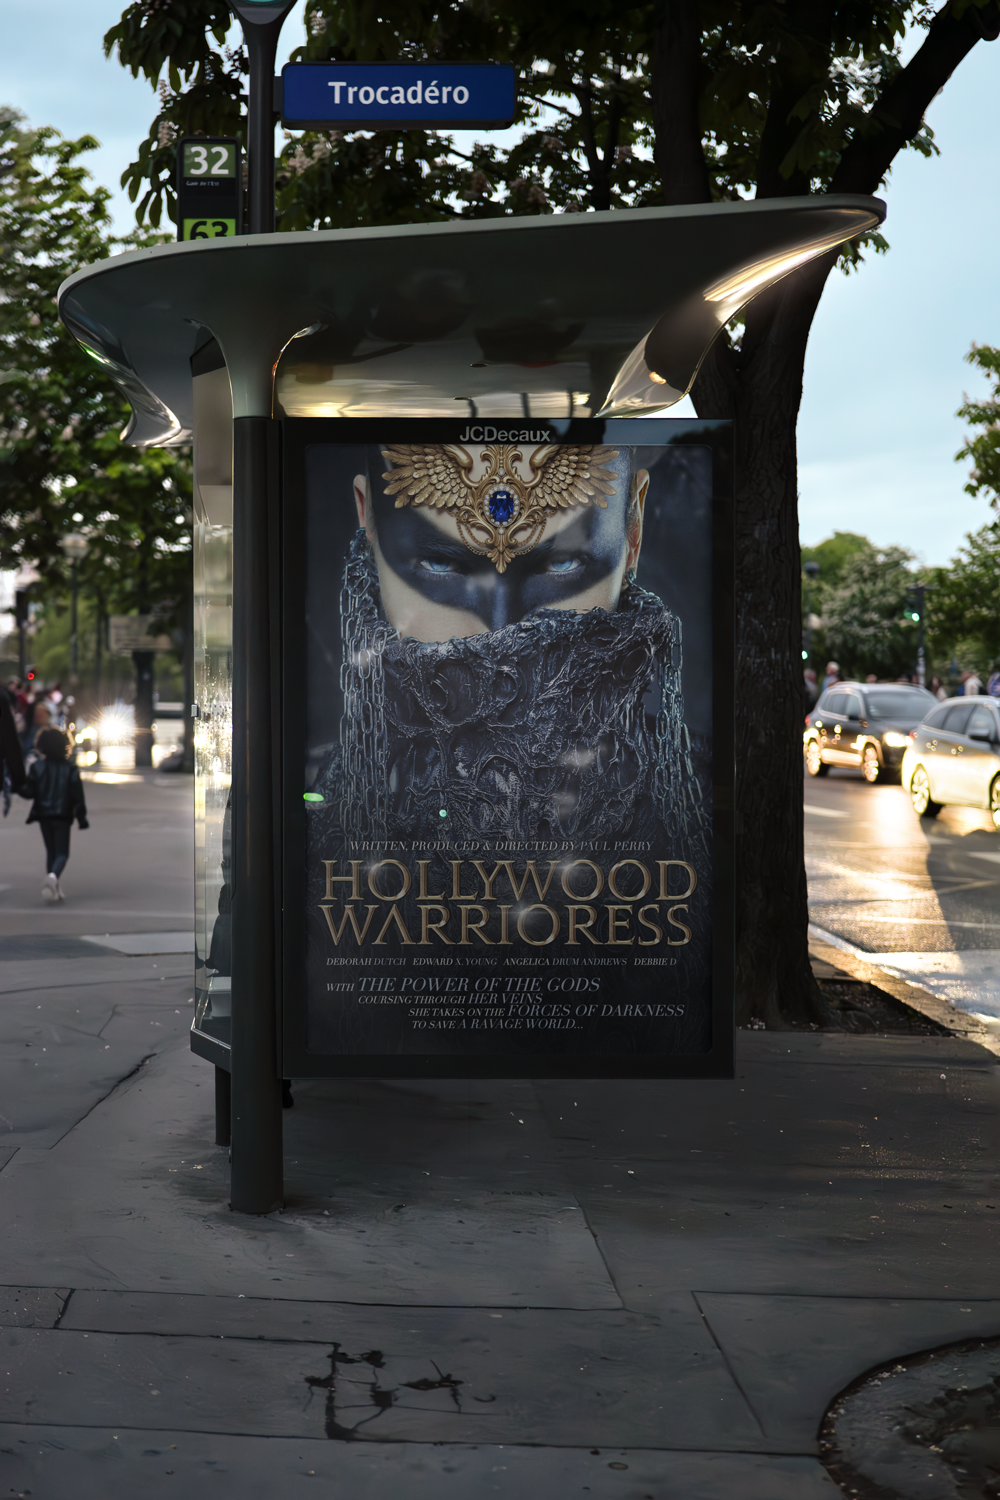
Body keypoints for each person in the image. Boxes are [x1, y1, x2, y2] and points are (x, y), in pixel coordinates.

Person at [18, 727, 88, 903]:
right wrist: (81, 817)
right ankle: (53, 877)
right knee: (62, 853)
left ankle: (54, 888)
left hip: (43, 814)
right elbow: (77, 796)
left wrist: (17, 784)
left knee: (51, 851)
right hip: (63, 815)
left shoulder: (37, 767)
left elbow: (29, 792)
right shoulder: (70, 768)